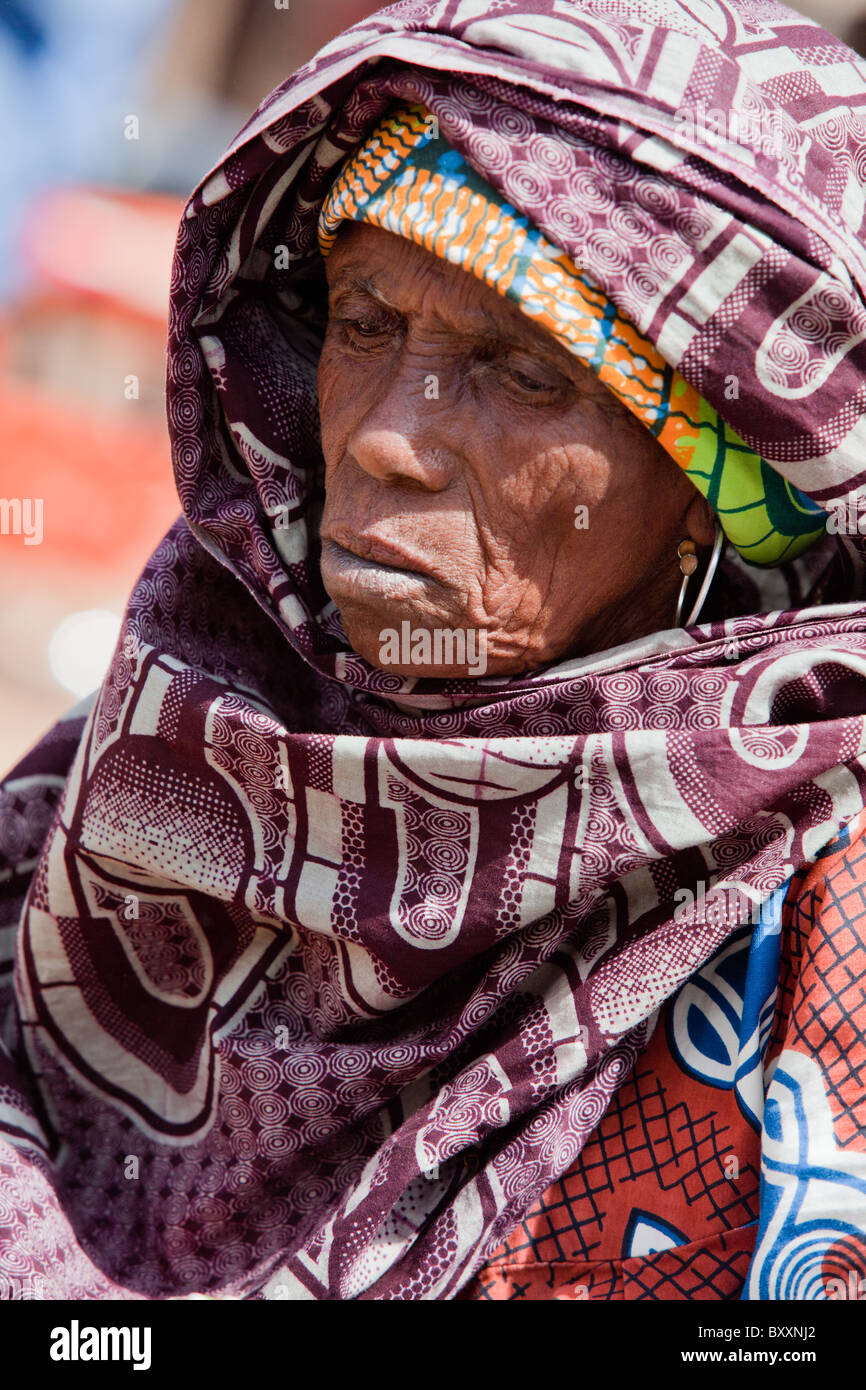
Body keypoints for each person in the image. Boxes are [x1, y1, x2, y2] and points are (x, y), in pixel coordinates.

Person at [2, 0, 866, 1301]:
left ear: (711, 478)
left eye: (523, 375)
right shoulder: (183, 720)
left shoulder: (809, 921)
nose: (388, 440)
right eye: (363, 324)